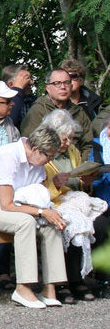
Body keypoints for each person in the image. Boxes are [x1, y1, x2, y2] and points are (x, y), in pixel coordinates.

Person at [0, 125, 68, 308]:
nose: (50, 160)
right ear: (35, 149)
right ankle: (23, 288)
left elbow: (30, 200)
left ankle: (50, 288)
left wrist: (48, 213)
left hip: (12, 208)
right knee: (25, 222)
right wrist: (42, 212)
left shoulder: (37, 162)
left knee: (51, 224)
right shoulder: (7, 155)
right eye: (49, 156)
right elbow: (7, 204)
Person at [39, 109, 107, 304]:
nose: (69, 143)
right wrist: (56, 184)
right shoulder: (43, 153)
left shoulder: (72, 151)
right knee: (68, 225)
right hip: (53, 203)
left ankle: (94, 277)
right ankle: (65, 282)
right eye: (65, 139)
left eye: (70, 138)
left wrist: (86, 182)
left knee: (101, 223)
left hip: (74, 199)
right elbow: (38, 187)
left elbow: (79, 179)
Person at [21, 68, 95, 156]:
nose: (63, 87)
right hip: (46, 164)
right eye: (57, 83)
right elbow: (29, 145)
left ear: (71, 86)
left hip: (77, 165)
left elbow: (89, 144)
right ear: (48, 88)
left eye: (67, 83)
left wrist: (81, 167)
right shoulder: (38, 110)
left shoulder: (79, 112)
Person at [62, 57, 104, 121]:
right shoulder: (54, 103)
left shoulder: (95, 103)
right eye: (66, 77)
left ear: (81, 81)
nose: (69, 80)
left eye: (73, 76)